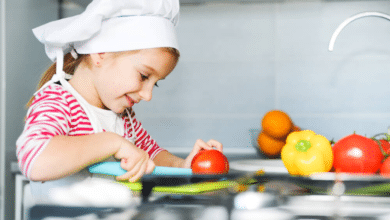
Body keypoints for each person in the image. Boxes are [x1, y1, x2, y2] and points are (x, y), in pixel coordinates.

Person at [16, 0, 223, 203]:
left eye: (155, 84)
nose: (148, 95)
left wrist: (184, 166)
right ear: (101, 53)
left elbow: (151, 157)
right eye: (144, 76)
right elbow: (35, 160)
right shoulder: (58, 101)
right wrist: (112, 142)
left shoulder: (124, 117)